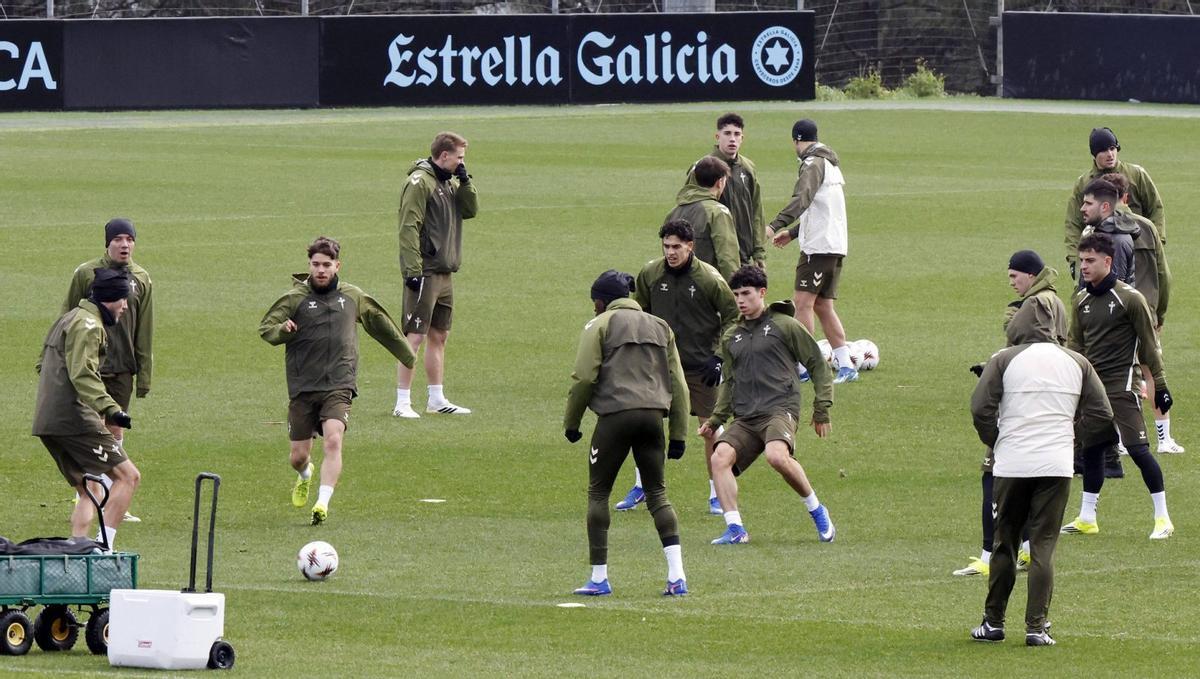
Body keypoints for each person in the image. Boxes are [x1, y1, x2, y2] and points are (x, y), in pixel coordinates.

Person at [968, 312, 1114, 647]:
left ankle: (993, 623)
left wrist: (997, 438)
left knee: (1005, 543)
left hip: (1012, 464)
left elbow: (980, 407)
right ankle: (1036, 627)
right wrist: (1073, 439)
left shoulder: (1003, 359)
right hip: (1055, 464)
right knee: (1043, 546)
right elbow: (1103, 414)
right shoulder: (1077, 362)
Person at [260, 237, 417, 525]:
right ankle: (305, 475)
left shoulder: (352, 297)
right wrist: (284, 329)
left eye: (326, 265)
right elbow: (266, 328)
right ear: (309, 265)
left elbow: (380, 323)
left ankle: (322, 503)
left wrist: (407, 356)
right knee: (298, 457)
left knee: (334, 440)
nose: (321, 270)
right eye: (316, 264)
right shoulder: (295, 299)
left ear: (337, 265)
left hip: (339, 384)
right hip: (303, 387)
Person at [563, 270, 691, 596]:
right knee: (658, 495)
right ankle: (677, 576)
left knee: (598, 494)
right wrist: (678, 434)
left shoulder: (600, 325)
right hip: (653, 418)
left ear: (602, 300)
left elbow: (583, 378)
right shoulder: (660, 326)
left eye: (595, 302)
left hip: (615, 418)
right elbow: (678, 384)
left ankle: (599, 577)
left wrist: (572, 423)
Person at [699, 265, 835, 545]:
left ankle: (817, 510)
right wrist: (715, 420)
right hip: (746, 417)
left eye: (746, 293)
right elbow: (729, 382)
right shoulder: (731, 336)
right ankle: (735, 529)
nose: (740, 300)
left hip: (779, 409)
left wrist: (822, 408)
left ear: (762, 293)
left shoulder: (785, 326)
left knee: (776, 456)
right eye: (736, 294)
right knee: (718, 458)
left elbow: (817, 364)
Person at [613, 220, 739, 514]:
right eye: (666, 246)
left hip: (701, 366)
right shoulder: (651, 274)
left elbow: (733, 317)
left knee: (710, 428)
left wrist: (719, 356)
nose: (670, 252)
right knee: (646, 424)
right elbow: (640, 312)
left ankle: (716, 493)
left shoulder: (710, 278)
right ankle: (642, 486)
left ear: (690, 246)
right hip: (661, 365)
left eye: (676, 247)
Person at [956, 250, 1066, 577]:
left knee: (993, 473)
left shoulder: (1036, 305)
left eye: (1014, 276)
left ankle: (989, 554)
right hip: (1045, 399)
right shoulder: (1052, 302)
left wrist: (997, 367)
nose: (1011, 283)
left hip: (1022, 397)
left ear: (1030, 274)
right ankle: (1029, 551)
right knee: (1031, 479)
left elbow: (1026, 344)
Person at [1060, 234, 1175, 540]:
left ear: (1107, 262)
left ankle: (1162, 517)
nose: (1083, 266)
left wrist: (1160, 384)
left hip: (1122, 386)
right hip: (1091, 390)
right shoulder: (1080, 300)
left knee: (1138, 450)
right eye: (1082, 260)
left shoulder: (1131, 299)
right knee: (1093, 449)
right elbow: (1076, 348)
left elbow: (1150, 347)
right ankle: (1087, 517)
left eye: (1090, 261)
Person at [35, 268, 141, 551]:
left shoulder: (67, 319)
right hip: (74, 419)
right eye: (123, 300)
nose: (126, 306)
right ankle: (103, 548)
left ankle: (78, 548)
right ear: (110, 298)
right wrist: (110, 409)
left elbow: (41, 364)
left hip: (48, 421)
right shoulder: (89, 326)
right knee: (128, 476)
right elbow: (83, 373)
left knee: (91, 489)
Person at [62, 218, 153, 523]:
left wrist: (144, 373)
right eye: (118, 239)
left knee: (115, 431)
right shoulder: (86, 273)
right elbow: (67, 316)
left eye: (130, 239)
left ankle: (116, 499)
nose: (125, 245)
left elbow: (144, 328)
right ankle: (87, 494)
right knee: (91, 429)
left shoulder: (142, 278)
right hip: (90, 365)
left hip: (123, 368)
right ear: (108, 243)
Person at [393, 131, 479, 418]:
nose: (461, 162)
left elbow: (470, 211)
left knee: (439, 335)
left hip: (445, 272)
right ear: (444, 155)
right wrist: (412, 269)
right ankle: (402, 402)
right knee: (414, 336)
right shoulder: (420, 183)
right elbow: (408, 226)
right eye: (459, 157)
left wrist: (466, 181)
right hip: (426, 271)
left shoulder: (448, 182)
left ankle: (436, 398)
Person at [767, 119, 857, 384]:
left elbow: (802, 199)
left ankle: (807, 366)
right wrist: (794, 233)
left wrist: (775, 225)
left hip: (818, 248)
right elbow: (823, 209)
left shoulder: (811, 164)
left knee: (803, 304)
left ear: (796, 140)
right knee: (822, 305)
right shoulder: (828, 163)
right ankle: (845, 365)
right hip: (834, 246)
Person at [1101, 172, 1180, 455]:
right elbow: (1164, 275)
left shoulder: (1096, 229)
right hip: (1145, 308)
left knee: (1114, 372)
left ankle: (1121, 440)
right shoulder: (1146, 227)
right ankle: (1164, 439)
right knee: (1152, 370)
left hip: (1109, 310)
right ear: (1127, 196)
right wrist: (1160, 314)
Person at [1063, 127, 1164, 276]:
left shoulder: (1136, 175)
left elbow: (1155, 209)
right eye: (1103, 150)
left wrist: (1157, 243)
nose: (1110, 154)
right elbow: (1073, 223)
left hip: (1137, 250)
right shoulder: (1083, 183)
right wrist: (1074, 259)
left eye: (1113, 148)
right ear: (1094, 154)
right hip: (1098, 255)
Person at [682, 113, 766, 268]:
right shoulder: (702, 167)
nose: (732, 139)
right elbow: (688, 207)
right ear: (717, 136)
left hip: (743, 255)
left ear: (742, 138)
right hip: (710, 255)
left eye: (737, 134)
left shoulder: (748, 168)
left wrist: (759, 251)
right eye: (727, 133)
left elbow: (756, 211)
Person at [666, 156, 739, 281]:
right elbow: (727, 258)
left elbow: (668, 254)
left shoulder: (673, 212)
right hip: (707, 287)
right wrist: (735, 291)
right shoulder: (718, 212)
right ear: (720, 182)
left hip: (678, 286)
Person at [1077, 178, 1137, 286]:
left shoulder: (1117, 241)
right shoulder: (1095, 232)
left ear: (1104, 207)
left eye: (1088, 203)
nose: (1082, 208)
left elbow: (1115, 290)